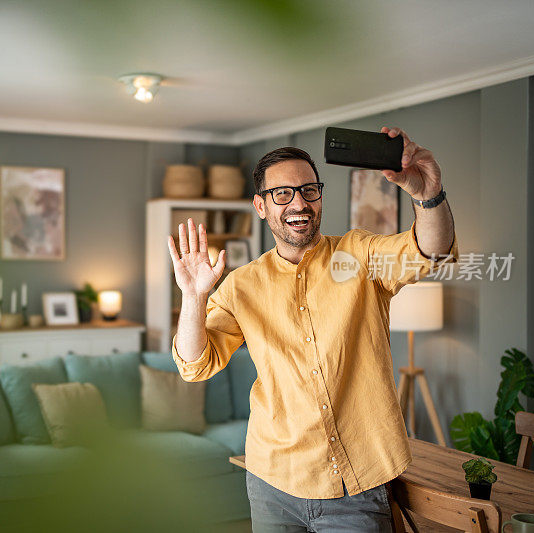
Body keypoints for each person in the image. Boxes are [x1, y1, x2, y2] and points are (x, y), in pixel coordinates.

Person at [167, 126, 459, 532]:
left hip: (358, 486)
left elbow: (432, 251)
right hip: (272, 482)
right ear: (260, 205)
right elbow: (194, 365)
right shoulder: (241, 286)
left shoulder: (360, 254)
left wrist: (429, 193)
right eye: (282, 194)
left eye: (309, 190)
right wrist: (194, 297)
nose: (299, 202)